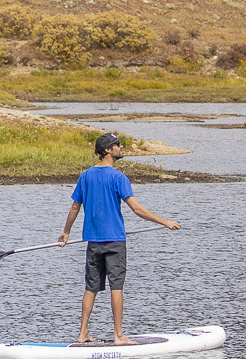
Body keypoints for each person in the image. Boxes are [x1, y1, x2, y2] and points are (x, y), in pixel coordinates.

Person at [58, 131, 179, 345]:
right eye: (117, 145)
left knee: (91, 287)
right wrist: (164, 222)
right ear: (107, 150)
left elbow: (75, 207)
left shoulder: (85, 176)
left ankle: (82, 334)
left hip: (93, 242)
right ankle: (119, 336)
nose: (121, 148)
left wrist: (66, 231)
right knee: (116, 286)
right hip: (114, 241)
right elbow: (137, 209)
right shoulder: (119, 177)